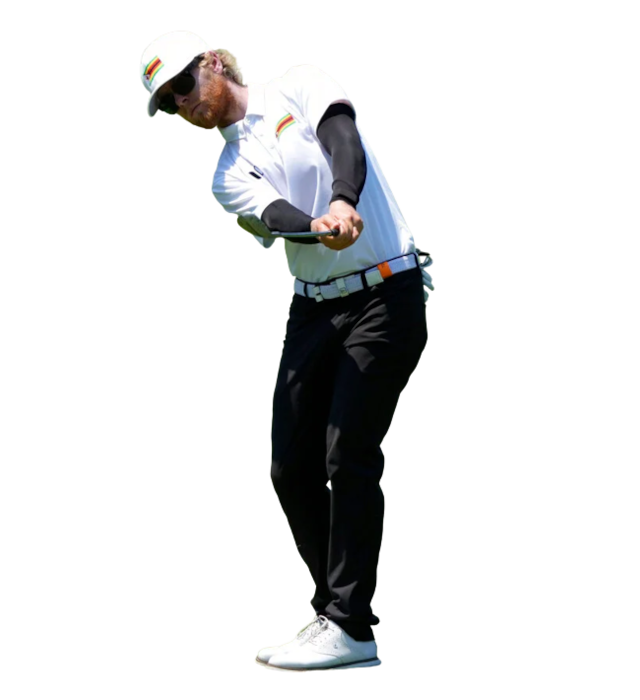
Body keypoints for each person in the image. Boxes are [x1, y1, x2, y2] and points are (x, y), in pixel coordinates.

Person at [140, 30, 435, 673]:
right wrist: (318, 226)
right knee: (287, 466)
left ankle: (352, 626)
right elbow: (275, 215)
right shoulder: (224, 176)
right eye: (170, 103)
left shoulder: (300, 82)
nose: (183, 104)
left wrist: (342, 200)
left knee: (346, 450)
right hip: (313, 308)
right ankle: (333, 614)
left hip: (386, 292)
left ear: (214, 63)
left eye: (183, 85)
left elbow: (342, 138)